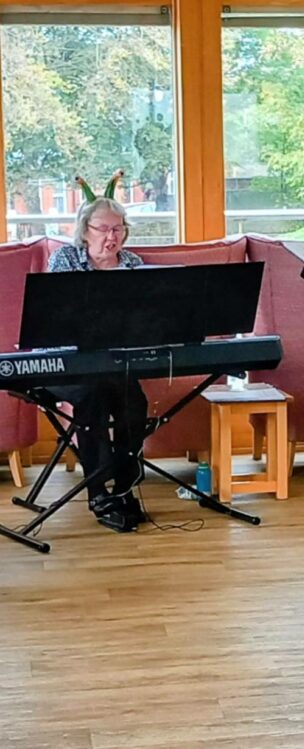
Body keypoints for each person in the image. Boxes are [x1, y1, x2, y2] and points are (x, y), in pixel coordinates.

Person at [47, 178, 148, 533]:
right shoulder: (64, 260)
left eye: (118, 229)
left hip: (117, 363)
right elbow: (57, 323)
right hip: (68, 364)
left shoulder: (133, 264)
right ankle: (97, 491)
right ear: (84, 230)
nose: (112, 236)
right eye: (103, 229)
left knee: (133, 401)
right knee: (93, 396)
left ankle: (124, 486)